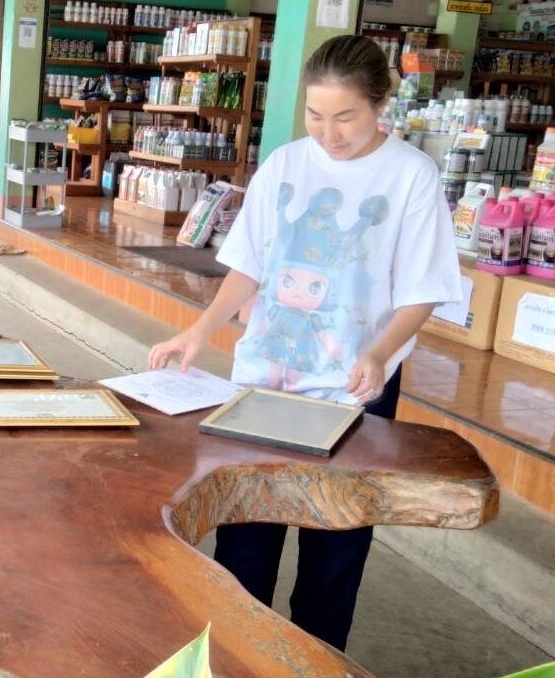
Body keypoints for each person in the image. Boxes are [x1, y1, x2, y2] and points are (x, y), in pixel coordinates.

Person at [148, 34, 461, 650]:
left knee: (334, 546)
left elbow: (424, 288)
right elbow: (249, 265)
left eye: (345, 116)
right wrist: (200, 330)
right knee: (245, 540)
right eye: (316, 115)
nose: (329, 133)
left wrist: (380, 352)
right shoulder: (286, 164)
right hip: (266, 380)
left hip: (354, 386)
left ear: (381, 105)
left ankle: (316, 658)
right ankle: (240, 657)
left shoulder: (410, 175)